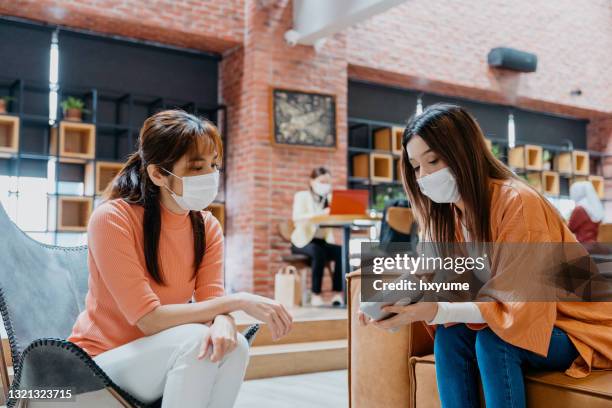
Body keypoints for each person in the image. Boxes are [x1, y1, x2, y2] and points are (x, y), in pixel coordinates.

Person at [358, 104, 612, 408]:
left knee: (496, 342)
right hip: (532, 318)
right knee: (450, 339)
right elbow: (425, 273)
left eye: (433, 161)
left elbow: (520, 308)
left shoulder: (518, 201)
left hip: (580, 325)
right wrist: (383, 299)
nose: (423, 176)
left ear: (464, 153)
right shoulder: (448, 215)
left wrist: (436, 311)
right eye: (416, 167)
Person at [68, 110, 292, 408]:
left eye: (214, 165)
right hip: (98, 366)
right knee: (199, 342)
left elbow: (211, 296)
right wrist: (236, 303)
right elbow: (149, 320)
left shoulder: (207, 226)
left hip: (155, 357)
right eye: (197, 167)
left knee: (235, 346)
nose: (210, 176)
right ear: (158, 173)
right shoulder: (112, 219)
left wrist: (223, 320)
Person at [290, 167, 343, 306]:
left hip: (321, 241)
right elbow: (297, 218)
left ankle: (337, 294)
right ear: (312, 181)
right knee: (318, 252)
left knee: (341, 252)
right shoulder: (302, 196)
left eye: (328, 182)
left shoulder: (330, 199)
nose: (325, 185)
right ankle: (316, 295)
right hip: (302, 242)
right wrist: (321, 214)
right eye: (321, 181)